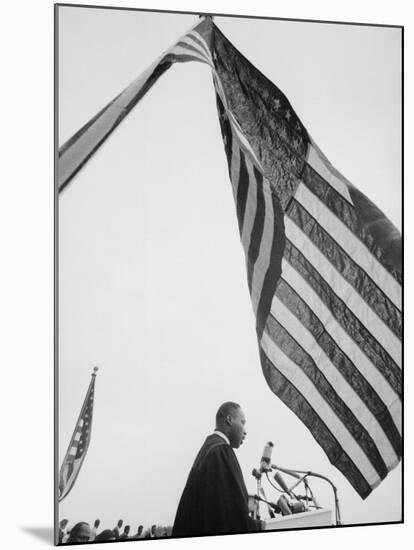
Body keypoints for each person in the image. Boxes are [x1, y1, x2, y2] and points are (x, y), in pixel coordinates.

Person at [172, 402, 264, 537]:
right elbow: (230, 518)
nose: (245, 431)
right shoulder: (221, 452)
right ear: (229, 420)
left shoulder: (209, 449)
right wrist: (261, 526)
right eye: (242, 422)